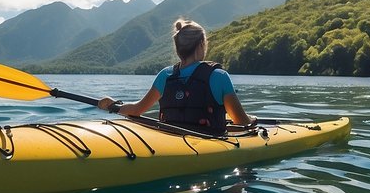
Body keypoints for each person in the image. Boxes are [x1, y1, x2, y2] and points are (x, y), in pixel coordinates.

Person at [98, 19, 256, 132]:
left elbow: (136, 109)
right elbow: (241, 122)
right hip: (211, 143)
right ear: (201, 44)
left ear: (178, 48)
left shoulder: (165, 75)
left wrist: (114, 105)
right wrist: (252, 120)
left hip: (171, 139)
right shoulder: (219, 76)